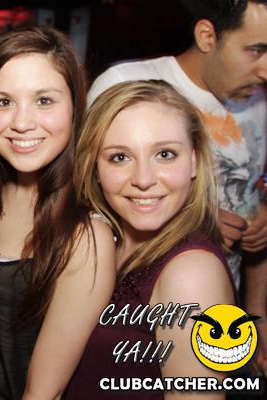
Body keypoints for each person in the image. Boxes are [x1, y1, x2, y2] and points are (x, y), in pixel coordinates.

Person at [0, 25, 116, 400]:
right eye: (3, 102)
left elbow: (44, 394)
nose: (22, 122)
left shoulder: (84, 236)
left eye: (44, 100)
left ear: (75, 107)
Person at [61, 79, 237, 399]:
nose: (144, 179)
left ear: (194, 161)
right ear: (95, 168)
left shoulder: (191, 276)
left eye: (165, 154)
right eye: (120, 157)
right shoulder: (101, 241)